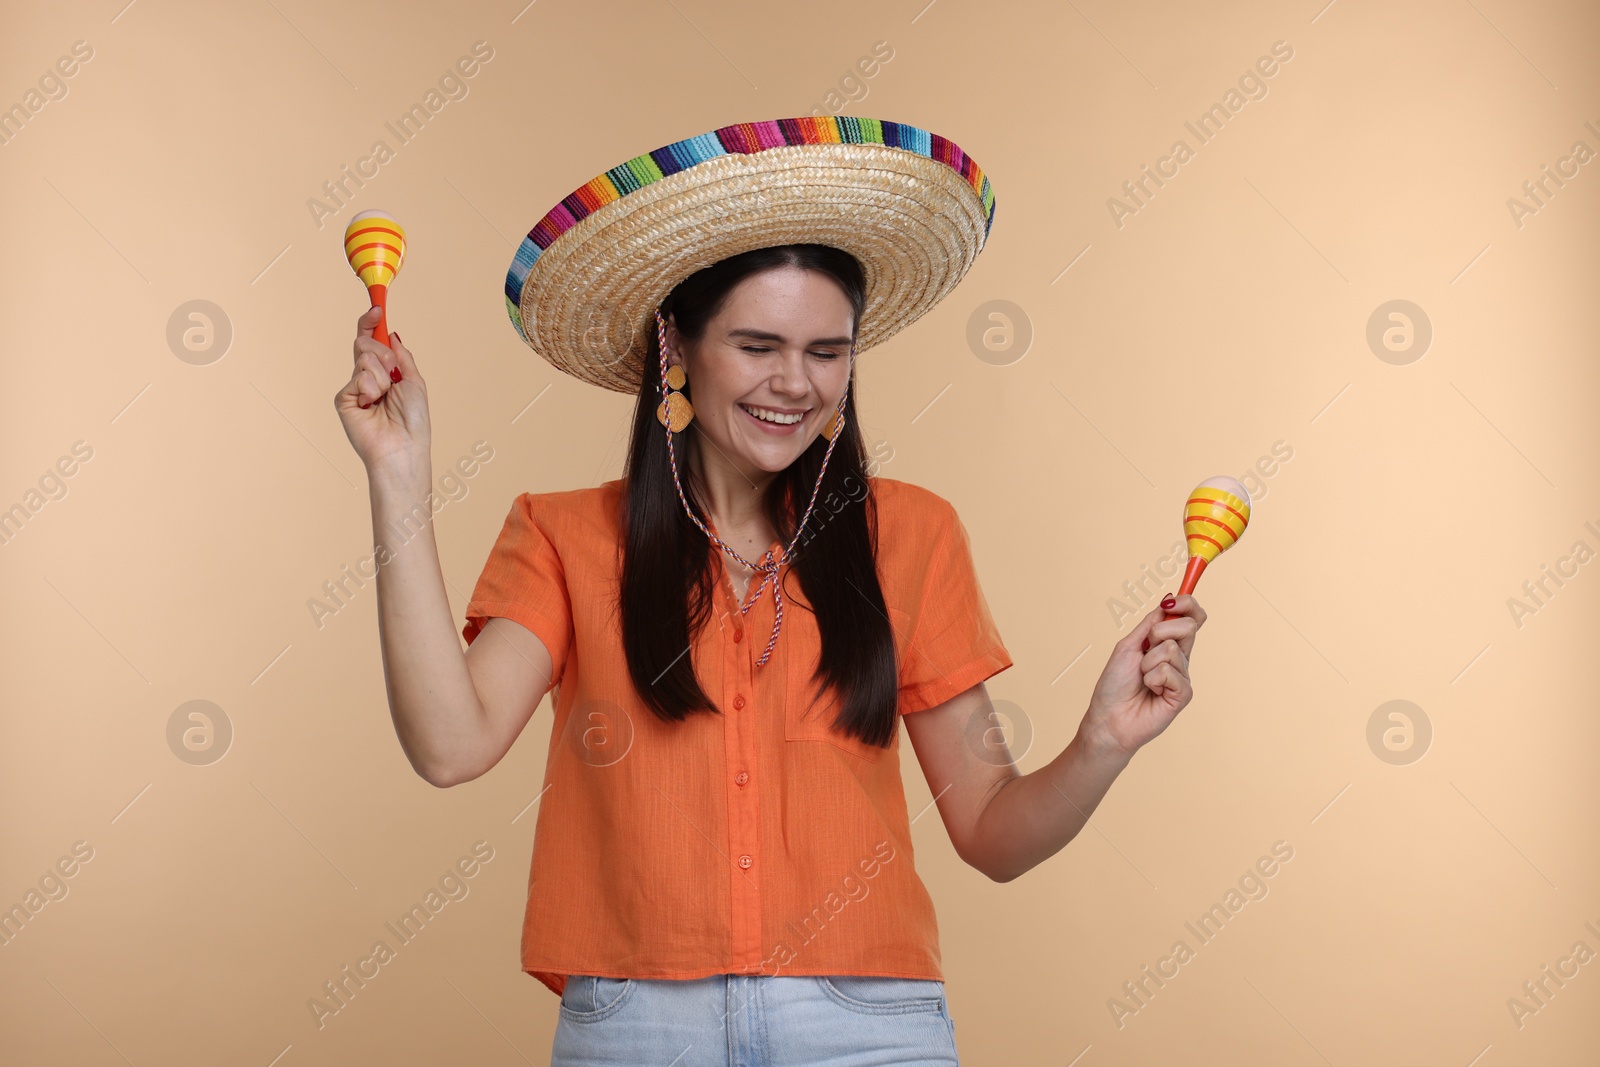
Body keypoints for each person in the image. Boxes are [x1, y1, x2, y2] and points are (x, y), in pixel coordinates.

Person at [333, 116, 1204, 1066]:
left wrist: (1103, 742)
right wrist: (399, 478)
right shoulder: (566, 534)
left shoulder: (910, 534)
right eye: (757, 346)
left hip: (867, 1026)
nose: (795, 383)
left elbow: (993, 831)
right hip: (636, 1025)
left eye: (827, 352)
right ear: (678, 345)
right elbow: (450, 744)